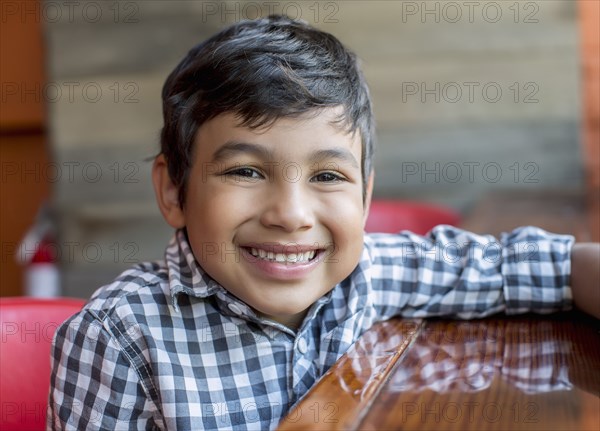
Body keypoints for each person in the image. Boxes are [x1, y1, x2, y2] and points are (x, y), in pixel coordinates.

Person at [48, 15, 599, 430]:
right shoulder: (119, 337)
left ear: (365, 196)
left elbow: (524, 266)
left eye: (328, 177)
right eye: (245, 170)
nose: (290, 214)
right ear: (174, 191)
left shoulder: (369, 274)